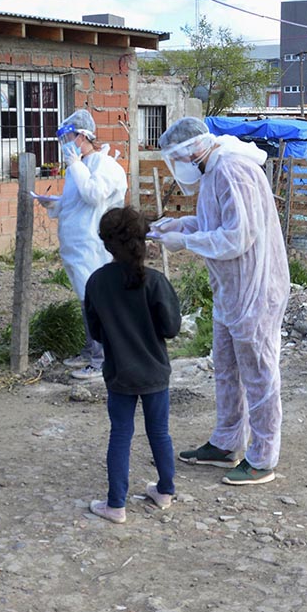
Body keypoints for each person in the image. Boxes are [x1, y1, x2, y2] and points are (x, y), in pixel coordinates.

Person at [152, 117, 290, 485]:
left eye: (176, 158)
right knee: (227, 368)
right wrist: (180, 225)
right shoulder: (214, 170)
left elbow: (237, 236)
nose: (177, 166)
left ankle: (263, 457)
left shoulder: (233, 170)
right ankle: (226, 442)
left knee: (258, 372)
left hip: (255, 288)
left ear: (193, 150)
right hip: (231, 288)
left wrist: (186, 241)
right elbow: (214, 221)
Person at [83, 207, 181, 523]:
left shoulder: (97, 282)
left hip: (119, 373)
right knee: (160, 432)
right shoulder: (156, 282)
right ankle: (165, 491)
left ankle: (116, 505)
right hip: (155, 372)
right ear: (143, 240)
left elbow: (95, 332)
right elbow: (171, 328)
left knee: (121, 434)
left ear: (106, 244)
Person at [38, 109, 128, 381]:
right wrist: (52, 204)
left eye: (69, 137)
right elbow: (74, 201)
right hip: (76, 245)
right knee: (85, 300)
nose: (66, 143)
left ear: (83, 136)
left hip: (93, 245)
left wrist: (76, 165)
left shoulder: (104, 165)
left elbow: (93, 195)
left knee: (97, 301)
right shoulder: (78, 165)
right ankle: (91, 351)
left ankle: (102, 360)